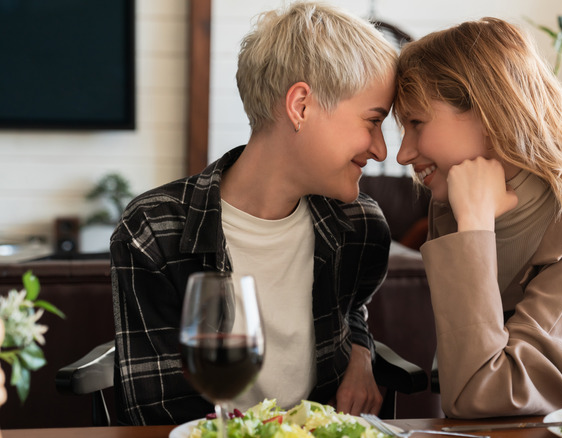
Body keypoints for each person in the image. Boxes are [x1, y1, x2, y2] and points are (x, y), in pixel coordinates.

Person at [110, 1, 396, 425]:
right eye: (373, 121)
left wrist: (360, 349)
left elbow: (351, 307)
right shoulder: (153, 231)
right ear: (300, 106)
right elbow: (162, 412)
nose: (381, 149)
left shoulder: (361, 227)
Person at [393, 17, 562, 418]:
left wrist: (475, 227)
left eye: (416, 123)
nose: (403, 154)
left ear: (488, 111)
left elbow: (482, 393)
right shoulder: (454, 205)